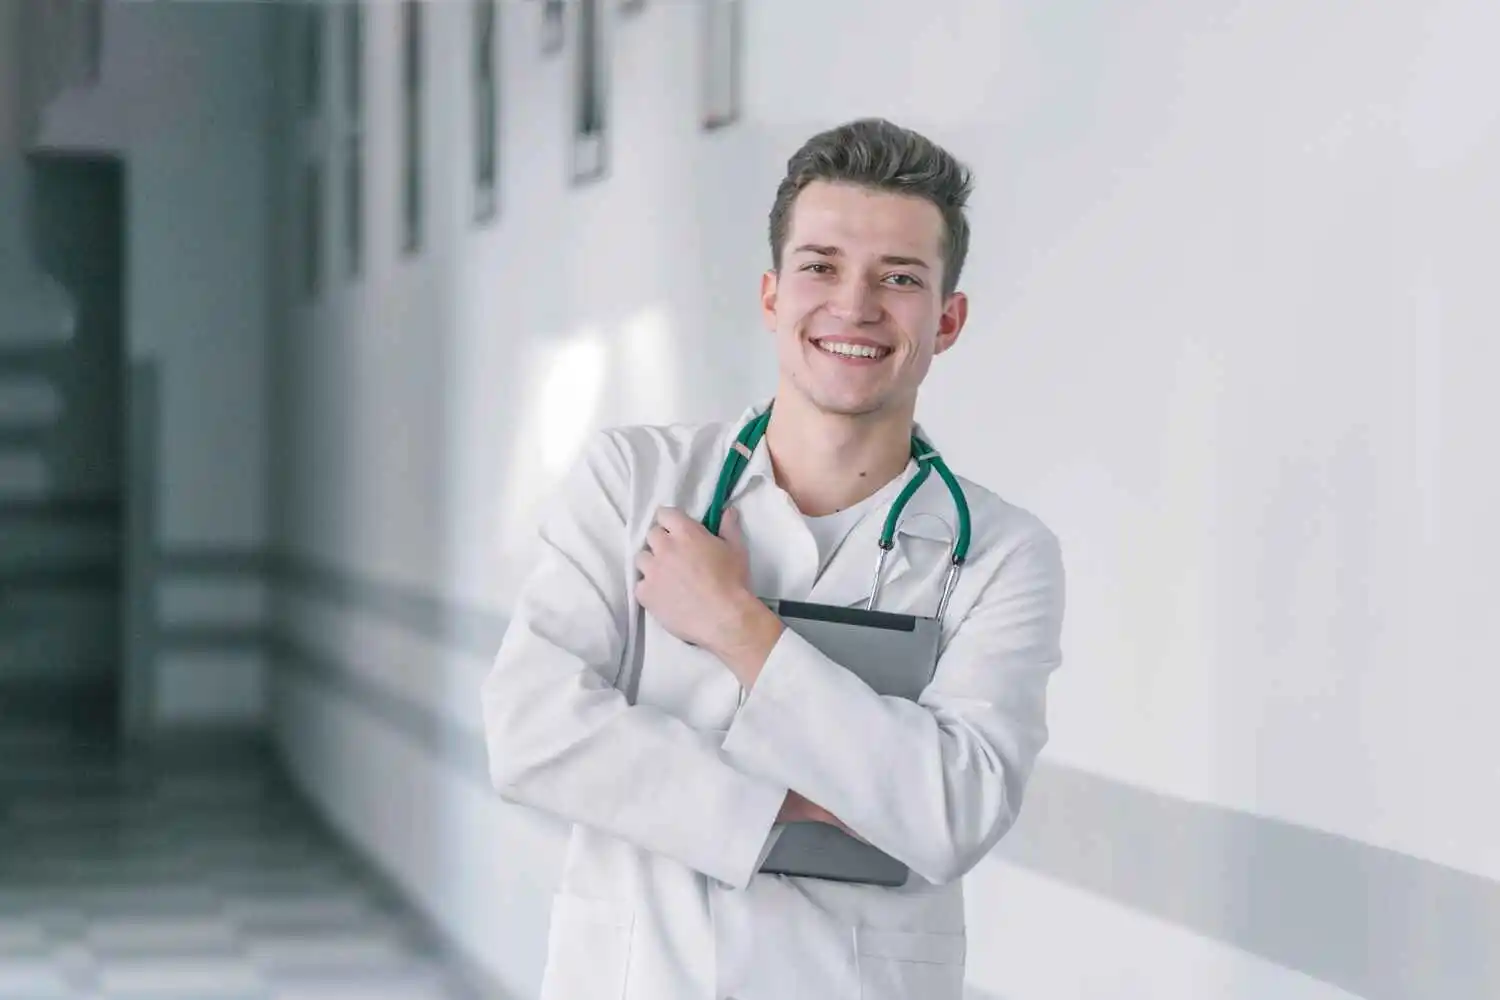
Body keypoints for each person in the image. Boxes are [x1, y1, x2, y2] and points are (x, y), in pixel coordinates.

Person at [481, 118, 1066, 1000]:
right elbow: (531, 730)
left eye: (899, 279)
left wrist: (736, 627)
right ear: (771, 296)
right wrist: (780, 813)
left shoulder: (1002, 555)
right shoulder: (635, 481)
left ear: (946, 320)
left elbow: (952, 814)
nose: (855, 306)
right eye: (821, 266)